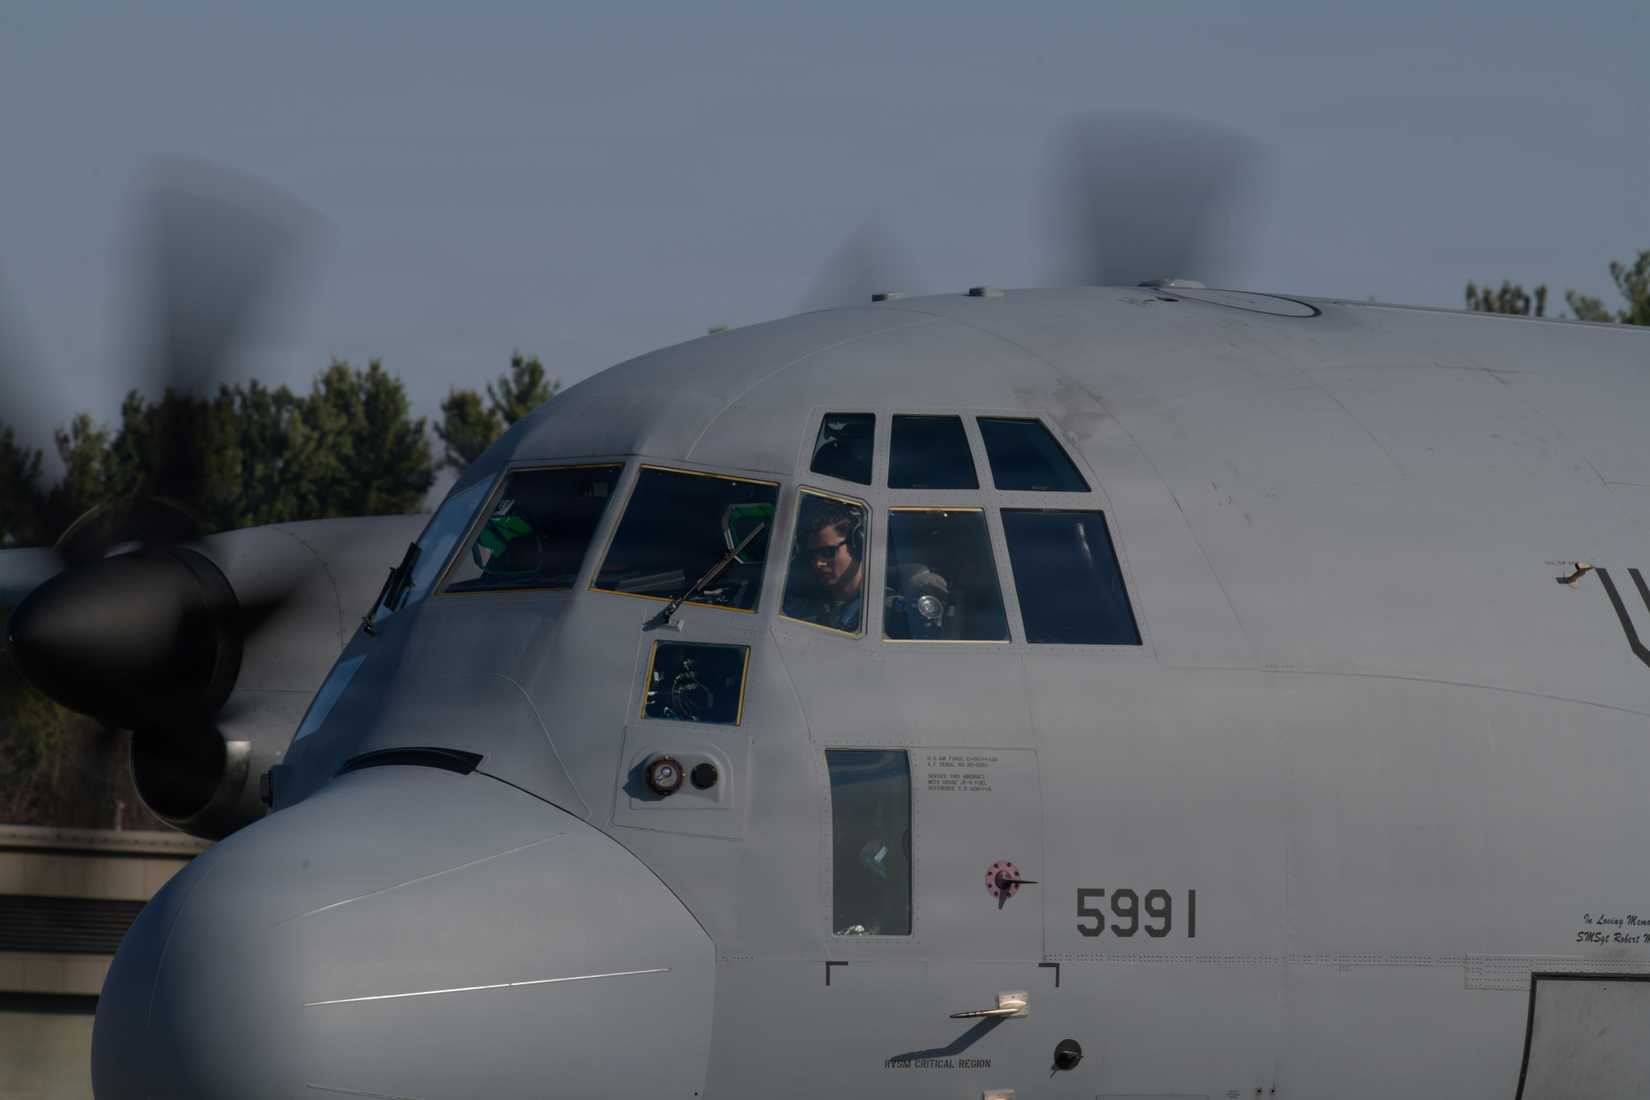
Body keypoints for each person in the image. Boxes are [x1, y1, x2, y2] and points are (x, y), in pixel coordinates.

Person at [783, 497, 866, 632]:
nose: (818, 563)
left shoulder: (887, 613)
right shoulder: (797, 608)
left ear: (857, 544)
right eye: (812, 555)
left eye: (828, 552)